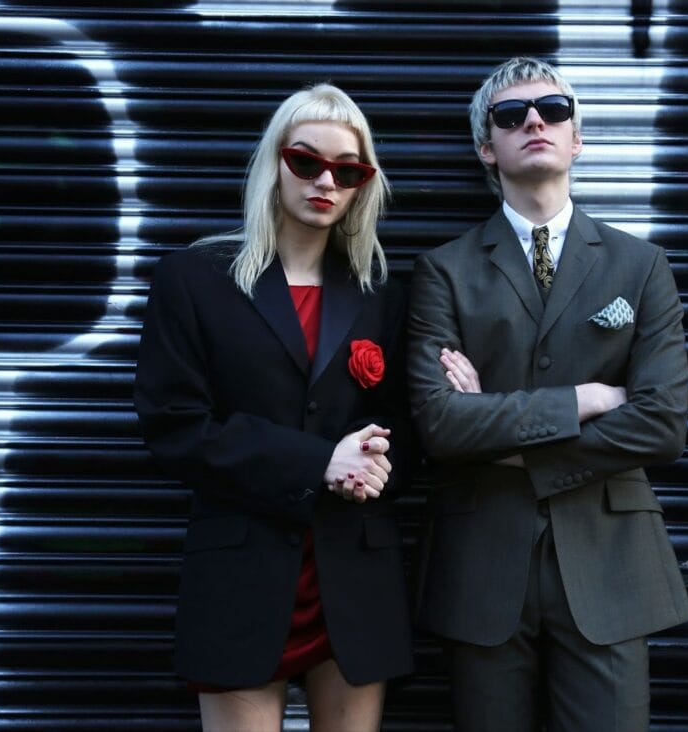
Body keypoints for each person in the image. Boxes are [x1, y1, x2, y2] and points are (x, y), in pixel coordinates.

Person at [408, 57, 688, 730]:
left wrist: (501, 436)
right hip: (481, 569)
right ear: (487, 146)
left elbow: (662, 425)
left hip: (611, 569)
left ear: (577, 137)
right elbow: (442, 426)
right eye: (511, 115)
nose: (534, 120)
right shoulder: (442, 272)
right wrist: (586, 398)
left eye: (553, 110)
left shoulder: (640, 265)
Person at [134, 83, 412, 731]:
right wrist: (321, 463)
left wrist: (377, 459)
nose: (325, 182)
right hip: (240, 575)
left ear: (362, 184)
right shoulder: (194, 279)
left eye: (348, 170)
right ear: (275, 162)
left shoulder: (382, 295)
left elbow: (408, 432)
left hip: (354, 579)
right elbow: (175, 428)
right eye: (306, 161)